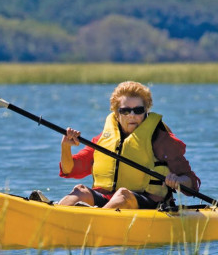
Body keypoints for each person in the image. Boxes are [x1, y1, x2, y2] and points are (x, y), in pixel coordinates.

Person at [57, 81, 199, 210]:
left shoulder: (161, 140)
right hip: (108, 200)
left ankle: (95, 221)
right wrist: (66, 147)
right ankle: (53, 216)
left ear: (146, 111)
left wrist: (178, 180)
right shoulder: (103, 140)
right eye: (125, 111)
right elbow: (70, 169)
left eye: (138, 110)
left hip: (148, 203)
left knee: (122, 195)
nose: (132, 115)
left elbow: (191, 182)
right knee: (80, 191)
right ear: (116, 113)